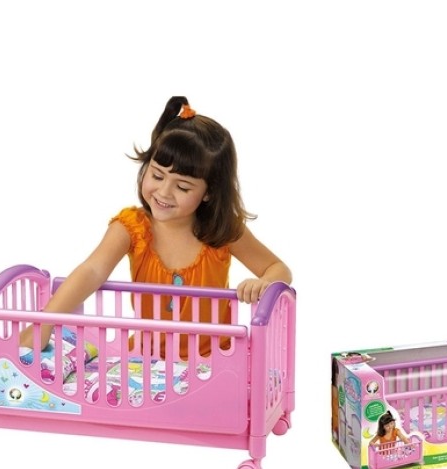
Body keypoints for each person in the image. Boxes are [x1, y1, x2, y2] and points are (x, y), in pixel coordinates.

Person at [20, 96, 292, 355]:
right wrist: (44, 323)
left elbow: (278, 268)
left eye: (183, 187)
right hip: (144, 360)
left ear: (209, 192)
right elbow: (92, 270)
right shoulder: (132, 227)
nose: (164, 192)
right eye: (157, 176)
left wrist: (264, 283)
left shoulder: (223, 231)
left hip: (214, 361)